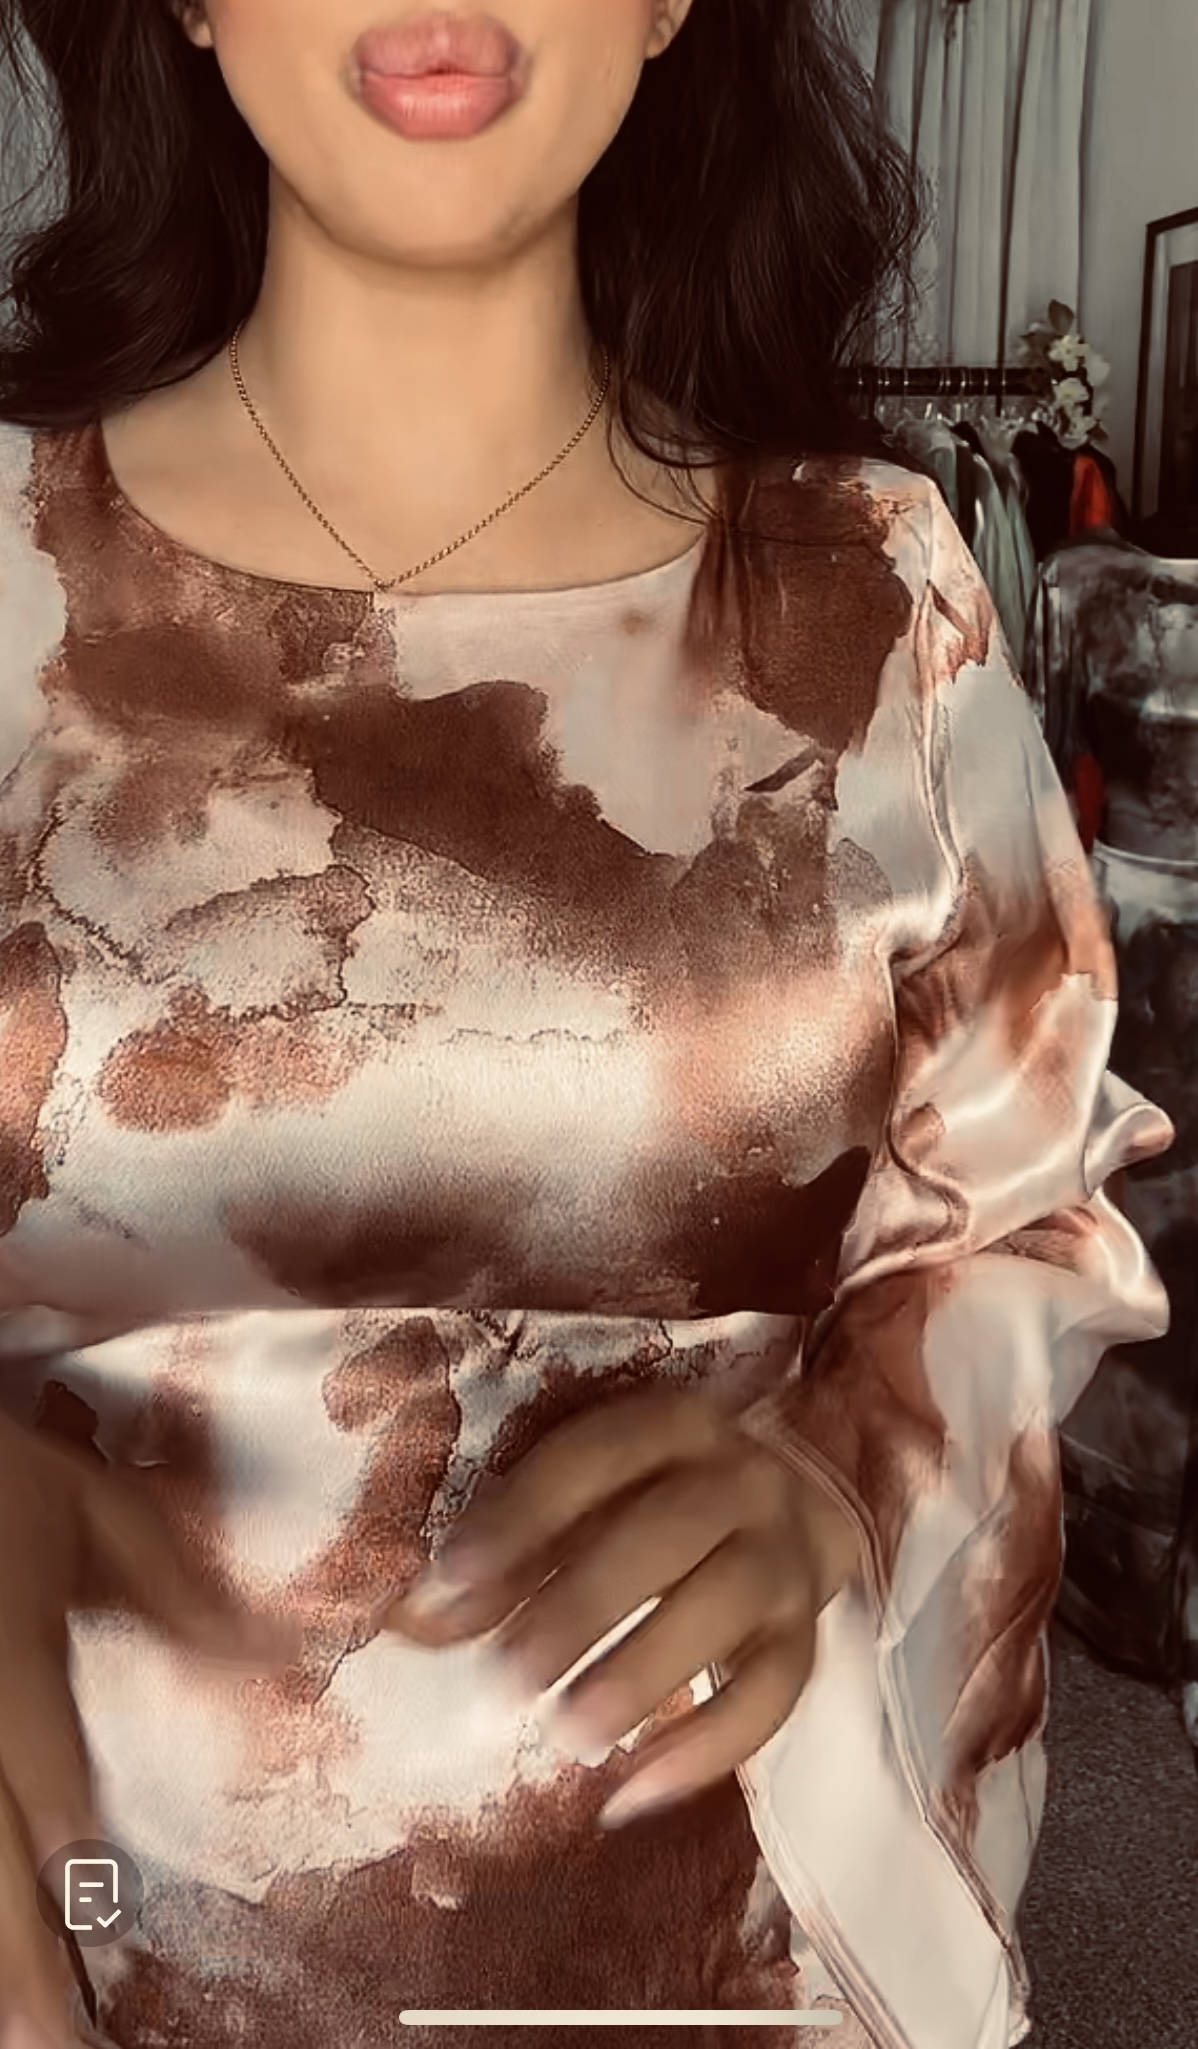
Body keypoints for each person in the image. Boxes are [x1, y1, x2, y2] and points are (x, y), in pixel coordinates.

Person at [0, 3, 1173, 2046]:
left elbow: (1017, 1213)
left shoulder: (874, 600)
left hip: (723, 1947)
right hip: (89, 1928)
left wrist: (850, 1472)